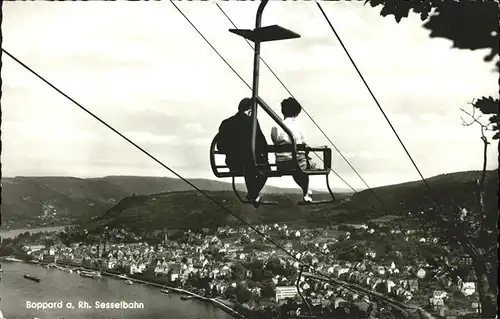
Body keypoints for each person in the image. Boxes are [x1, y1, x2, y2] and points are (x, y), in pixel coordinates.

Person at [217, 97, 270, 207]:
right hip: (249, 164)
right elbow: (261, 143)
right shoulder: (252, 122)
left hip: (232, 164)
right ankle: (253, 194)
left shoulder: (226, 123)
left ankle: (253, 194)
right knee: (265, 169)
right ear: (250, 110)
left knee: (250, 165)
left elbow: (220, 147)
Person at [270, 97, 313, 203]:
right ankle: (305, 193)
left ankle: (306, 191)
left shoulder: (276, 127)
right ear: (296, 113)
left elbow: (275, 141)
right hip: (297, 163)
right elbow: (303, 143)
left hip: (281, 163)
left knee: (296, 165)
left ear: (282, 110)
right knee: (303, 167)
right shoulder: (299, 127)